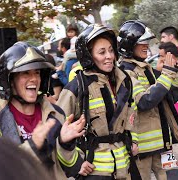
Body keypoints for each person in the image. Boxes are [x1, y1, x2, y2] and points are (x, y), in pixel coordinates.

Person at [56, 24, 139, 180]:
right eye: (102, 52)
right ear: (88, 56)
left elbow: (130, 112)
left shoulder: (124, 81)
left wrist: (133, 139)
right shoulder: (76, 88)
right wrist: (76, 163)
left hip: (124, 168)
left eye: (111, 50)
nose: (109, 56)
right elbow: (58, 133)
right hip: (94, 173)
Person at [0, 42, 85, 179]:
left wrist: (65, 143)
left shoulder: (56, 114)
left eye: (37, 73)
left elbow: (70, 169)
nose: (34, 79)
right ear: (10, 80)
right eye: (26, 73)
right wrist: (33, 145)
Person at [118, 20, 178, 180]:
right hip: (142, 148)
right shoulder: (125, 72)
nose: (146, 46)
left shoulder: (146, 68)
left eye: (147, 42)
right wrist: (167, 75)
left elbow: (168, 99)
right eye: (141, 42)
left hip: (164, 143)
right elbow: (144, 102)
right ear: (129, 45)